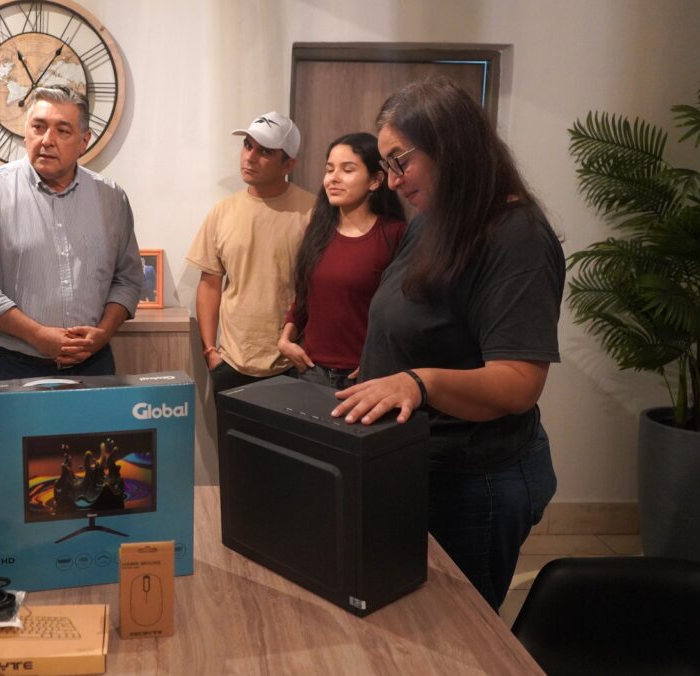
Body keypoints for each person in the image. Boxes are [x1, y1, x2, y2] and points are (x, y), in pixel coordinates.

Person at [331, 77, 566, 610]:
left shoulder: (517, 236)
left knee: (457, 630)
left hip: (475, 480)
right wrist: (380, 372)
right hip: (416, 465)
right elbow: (419, 321)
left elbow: (518, 383)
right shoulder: (433, 222)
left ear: (451, 146)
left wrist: (416, 382)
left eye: (400, 161)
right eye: (386, 165)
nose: (392, 181)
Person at [0, 86, 142, 379]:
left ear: (84, 141)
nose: (47, 140)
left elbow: (127, 279)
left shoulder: (112, 199)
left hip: (95, 363)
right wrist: (38, 335)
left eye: (62, 131)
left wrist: (103, 333)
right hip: (14, 365)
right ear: (25, 133)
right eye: (38, 127)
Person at [187, 111, 316, 394]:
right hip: (231, 361)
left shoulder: (313, 211)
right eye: (247, 146)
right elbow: (209, 284)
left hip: (293, 363)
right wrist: (210, 351)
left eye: (265, 151)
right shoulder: (223, 212)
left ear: (289, 164)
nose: (250, 157)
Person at [277, 132, 407, 390]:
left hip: (367, 375)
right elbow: (305, 297)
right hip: (311, 370)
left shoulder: (395, 234)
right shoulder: (318, 231)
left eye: (347, 170)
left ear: (375, 180)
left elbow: (404, 311)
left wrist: (381, 360)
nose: (333, 178)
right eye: (329, 169)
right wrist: (285, 340)